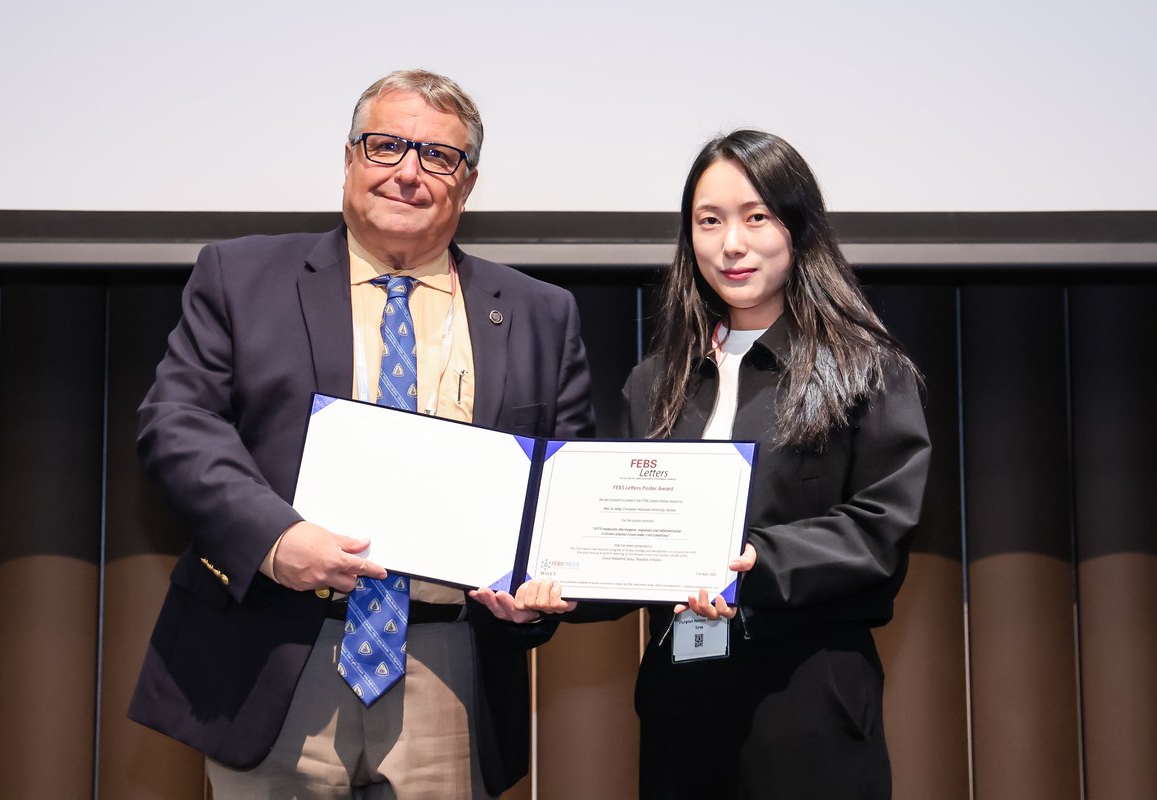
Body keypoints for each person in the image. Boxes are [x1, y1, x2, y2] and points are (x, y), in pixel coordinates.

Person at [128, 69, 594, 799]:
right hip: (275, 653)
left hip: (452, 667)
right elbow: (177, 425)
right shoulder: (242, 277)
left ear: (466, 183)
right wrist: (277, 540)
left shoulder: (541, 314)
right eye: (385, 146)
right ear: (349, 159)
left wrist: (539, 583)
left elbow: (560, 489)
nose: (408, 172)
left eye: (437, 156)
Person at [515, 129, 930, 799]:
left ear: (797, 229)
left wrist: (751, 560)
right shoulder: (655, 382)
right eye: (709, 221)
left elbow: (880, 530)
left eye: (756, 217)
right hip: (682, 707)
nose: (731, 243)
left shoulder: (865, 371)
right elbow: (630, 548)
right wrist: (553, 590)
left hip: (806, 710)